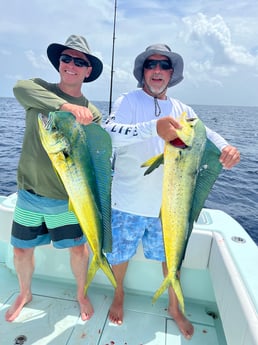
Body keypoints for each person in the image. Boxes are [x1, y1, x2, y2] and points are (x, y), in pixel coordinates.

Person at [104, 44, 240, 339]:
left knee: (172, 258)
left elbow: (205, 133)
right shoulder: (128, 100)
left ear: (171, 73)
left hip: (169, 207)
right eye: (151, 65)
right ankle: (118, 294)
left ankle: (175, 307)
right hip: (127, 200)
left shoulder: (183, 110)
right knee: (119, 255)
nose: (157, 70)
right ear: (143, 71)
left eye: (164, 66)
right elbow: (108, 133)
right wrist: (154, 128)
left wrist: (227, 147)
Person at [5, 35, 103, 322]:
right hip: (29, 193)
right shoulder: (38, 90)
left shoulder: (93, 113)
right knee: (21, 250)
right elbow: (18, 86)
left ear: (88, 71)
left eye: (79, 61)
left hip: (67, 199)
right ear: (59, 63)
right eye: (66, 59)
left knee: (78, 249)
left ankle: (81, 294)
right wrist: (67, 108)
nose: (71, 65)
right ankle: (25, 293)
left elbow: (95, 159)